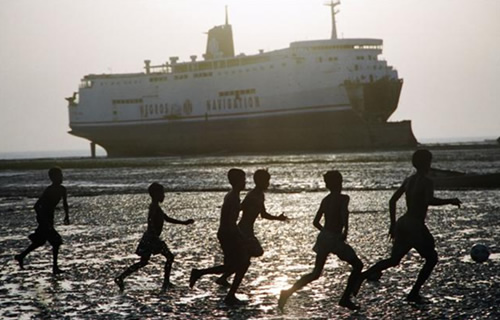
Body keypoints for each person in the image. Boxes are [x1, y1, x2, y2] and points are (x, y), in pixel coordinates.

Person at [357, 149, 461, 303]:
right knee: (431, 258)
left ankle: (362, 277)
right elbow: (429, 201)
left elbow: (392, 201)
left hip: (403, 222)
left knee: (394, 260)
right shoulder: (427, 182)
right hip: (415, 225)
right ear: (427, 163)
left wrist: (393, 224)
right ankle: (414, 293)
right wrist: (450, 200)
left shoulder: (408, 180)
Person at [278, 170, 363, 311]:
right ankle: (345, 298)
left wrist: (325, 232)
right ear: (339, 183)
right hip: (334, 238)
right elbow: (344, 214)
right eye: (340, 181)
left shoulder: (326, 200)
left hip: (324, 237)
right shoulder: (344, 198)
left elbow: (315, 222)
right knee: (358, 265)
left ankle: (287, 292)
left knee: (316, 273)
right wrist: (345, 231)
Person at [114, 182, 194, 292]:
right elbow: (150, 220)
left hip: (149, 238)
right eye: (162, 193)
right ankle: (166, 282)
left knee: (144, 262)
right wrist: (154, 235)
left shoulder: (156, 207)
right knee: (169, 257)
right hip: (152, 238)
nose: (163, 196)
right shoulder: (154, 207)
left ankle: (121, 277)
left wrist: (184, 223)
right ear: (156, 194)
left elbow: (167, 219)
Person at [189, 168, 251, 305]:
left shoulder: (232, 195)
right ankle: (230, 295)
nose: (245, 182)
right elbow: (231, 222)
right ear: (236, 181)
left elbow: (231, 216)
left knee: (233, 265)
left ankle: (200, 273)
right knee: (242, 263)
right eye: (243, 180)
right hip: (228, 234)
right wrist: (242, 237)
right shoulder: (233, 197)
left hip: (226, 233)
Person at [216, 169, 287, 286]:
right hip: (243, 229)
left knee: (246, 258)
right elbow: (241, 207)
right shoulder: (252, 195)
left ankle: (224, 278)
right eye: (266, 181)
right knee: (250, 256)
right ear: (258, 181)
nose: (268, 184)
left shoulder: (260, 195)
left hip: (249, 229)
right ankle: (225, 279)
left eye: (268, 181)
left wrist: (278, 218)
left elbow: (263, 214)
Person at [15, 167, 70, 275]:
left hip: (50, 218)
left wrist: (66, 216)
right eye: (58, 176)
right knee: (56, 241)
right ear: (52, 178)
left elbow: (65, 204)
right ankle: (55, 268)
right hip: (44, 218)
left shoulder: (63, 189)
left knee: (40, 241)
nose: (61, 178)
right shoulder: (49, 190)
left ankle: (21, 256)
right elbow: (37, 205)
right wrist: (42, 219)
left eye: (61, 175)